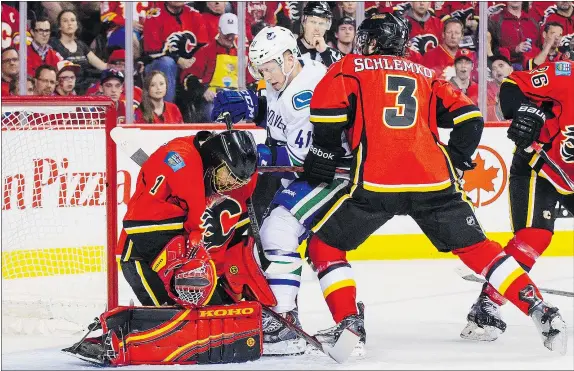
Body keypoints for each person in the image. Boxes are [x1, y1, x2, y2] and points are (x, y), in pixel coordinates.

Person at [302, 13, 568, 360]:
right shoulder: (426, 74)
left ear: (374, 41)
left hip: (376, 182)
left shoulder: (351, 66)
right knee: (481, 251)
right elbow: (471, 118)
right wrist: (455, 160)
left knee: (323, 246)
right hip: (436, 181)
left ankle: (349, 323)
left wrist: (323, 151)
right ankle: (542, 311)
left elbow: (326, 116)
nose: (362, 45)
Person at [63, 129, 277, 366]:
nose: (230, 184)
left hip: (196, 267)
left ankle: (127, 334)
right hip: (142, 257)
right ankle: (118, 342)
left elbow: (235, 243)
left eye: (238, 180)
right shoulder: (183, 163)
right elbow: (141, 229)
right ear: (215, 160)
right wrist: (179, 272)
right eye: (228, 176)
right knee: (179, 321)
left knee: (215, 319)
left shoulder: (234, 183)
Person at [210, 25, 351, 356]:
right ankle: (294, 315)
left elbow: (299, 159)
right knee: (267, 240)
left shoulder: (306, 95)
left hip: (330, 175)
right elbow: (274, 111)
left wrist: (250, 154)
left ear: (289, 58)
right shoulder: (287, 78)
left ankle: (284, 319)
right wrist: (251, 101)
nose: (266, 75)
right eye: (261, 70)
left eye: (269, 67)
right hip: (300, 175)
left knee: (278, 231)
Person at [460, 60, 573, 345]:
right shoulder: (565, 74)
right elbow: (512, 87)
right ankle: (486, 306)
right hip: (540, 165)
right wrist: (527, 111)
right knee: (533, 237)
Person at [142, 1, 208, 103]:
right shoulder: (154, 16)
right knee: (167, 63)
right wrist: (177, 59)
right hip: (157, 64)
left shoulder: (194, 14)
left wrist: (192, 61)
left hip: (188, 63)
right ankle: (167, 110)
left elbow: (202, 47)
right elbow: (152, 51)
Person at [49, 9, 108, 94]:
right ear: (59, 26)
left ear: (77, 25)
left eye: (72, 20)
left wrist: (118, 67)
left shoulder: (81, 45)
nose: (69, 23)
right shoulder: (53, 43)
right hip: (64, 90)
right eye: (65, 21)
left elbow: (102, 65)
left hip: (85, 88)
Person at [297, 2, 343, 67]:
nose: (317, 28)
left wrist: (325, 53)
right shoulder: (291, 50)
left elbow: (338, 76)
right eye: (313, 22)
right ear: (304, 22)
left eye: (321, 23)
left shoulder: (335, 55)